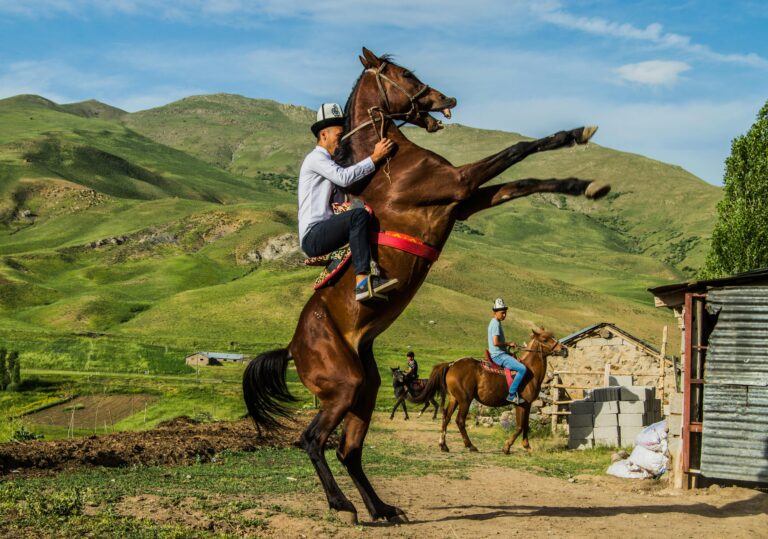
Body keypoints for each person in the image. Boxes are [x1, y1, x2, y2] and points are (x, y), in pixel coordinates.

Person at [298, 103, 399, 302]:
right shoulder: (315, 159)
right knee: (358, 216)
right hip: (314, 235)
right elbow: (344, 178)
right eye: (338, 135)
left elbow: (337, 198)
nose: (341, 141)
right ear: (324, 135)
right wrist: (375, 158)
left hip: (323, 229)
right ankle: (362, 282)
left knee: (361, 214)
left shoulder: (328, 163)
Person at [487, 298, 527, 404]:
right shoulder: (495, 323)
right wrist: (509, 343)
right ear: (495, 312)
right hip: (499, 356)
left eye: (505, 313)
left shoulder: (495, 322)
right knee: (522, 369)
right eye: (502, 313)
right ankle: (512, 394)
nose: (504, 315)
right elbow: (495, 342)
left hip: (500, 353)